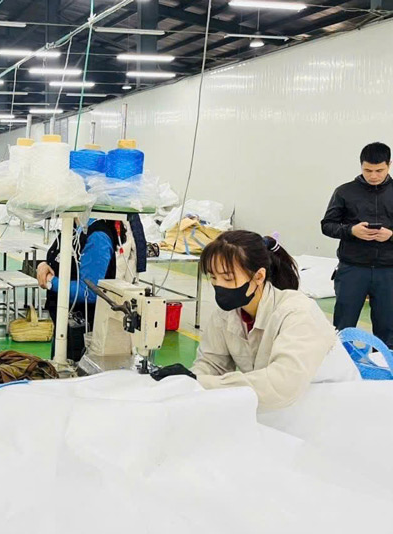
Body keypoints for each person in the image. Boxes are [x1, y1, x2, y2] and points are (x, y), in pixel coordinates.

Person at [152, 230, 359, 412]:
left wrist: (201, 383)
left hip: (332, 405)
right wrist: (187, 384)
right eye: (213, 278)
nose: (219, 286)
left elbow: (282, 384)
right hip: (282, 408)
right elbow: (212, 364)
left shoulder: (297, 312)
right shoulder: (226, 314)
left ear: (259, 276)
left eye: (228, 277)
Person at [36, 217, 146, 359]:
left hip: (82, 330)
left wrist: (51, 281)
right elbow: (59, 259)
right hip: (63, 324)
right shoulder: (74, 227)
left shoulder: (97, 236)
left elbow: (89, 291)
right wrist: (43, 265)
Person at [321, 142, 393, 348]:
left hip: (388, 270)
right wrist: (351, 231)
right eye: (367, 170)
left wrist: (390, 235)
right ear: (361, 166)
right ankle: (342, 368)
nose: (373, 175)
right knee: (344, 325)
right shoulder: (344, 192)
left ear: (390, 165)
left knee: (388, 328)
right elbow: (327, 225)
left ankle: (384, 373)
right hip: (353, 268)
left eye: (379, 170)